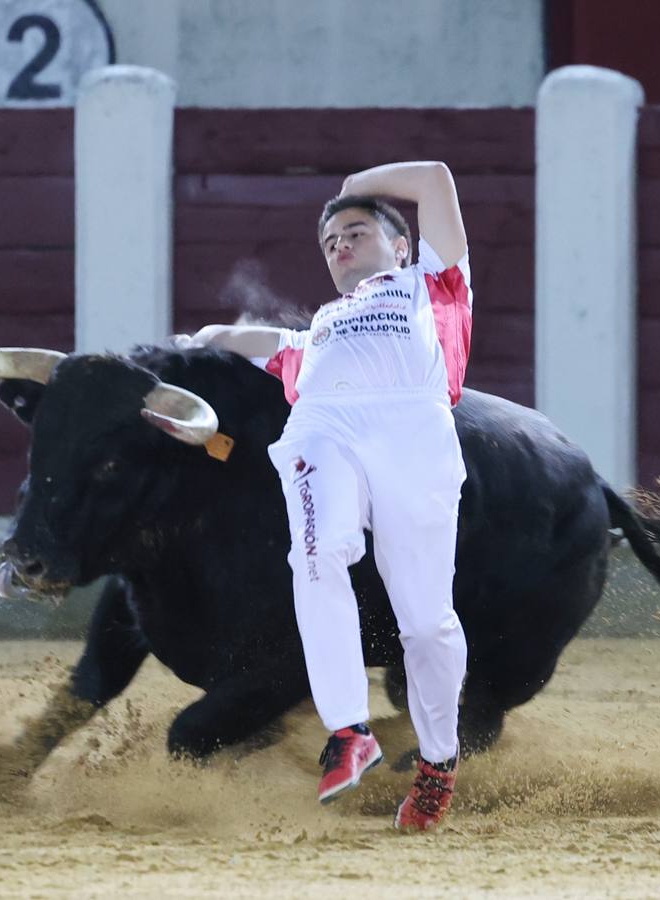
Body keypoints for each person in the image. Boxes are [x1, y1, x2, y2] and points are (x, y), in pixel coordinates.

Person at [180, 161, 472, 831]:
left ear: (401, 247)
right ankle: (348, 730)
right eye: (329, 239)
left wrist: (350, 186)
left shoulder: (433, 284)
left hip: (415, 429)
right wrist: (188, 344)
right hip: (324, 429)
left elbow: (433, 177)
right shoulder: (305, 342)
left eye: (355, 231)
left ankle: (436, 764)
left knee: (426, 624)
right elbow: (221, 341)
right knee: (316, 557)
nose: (338, 242)